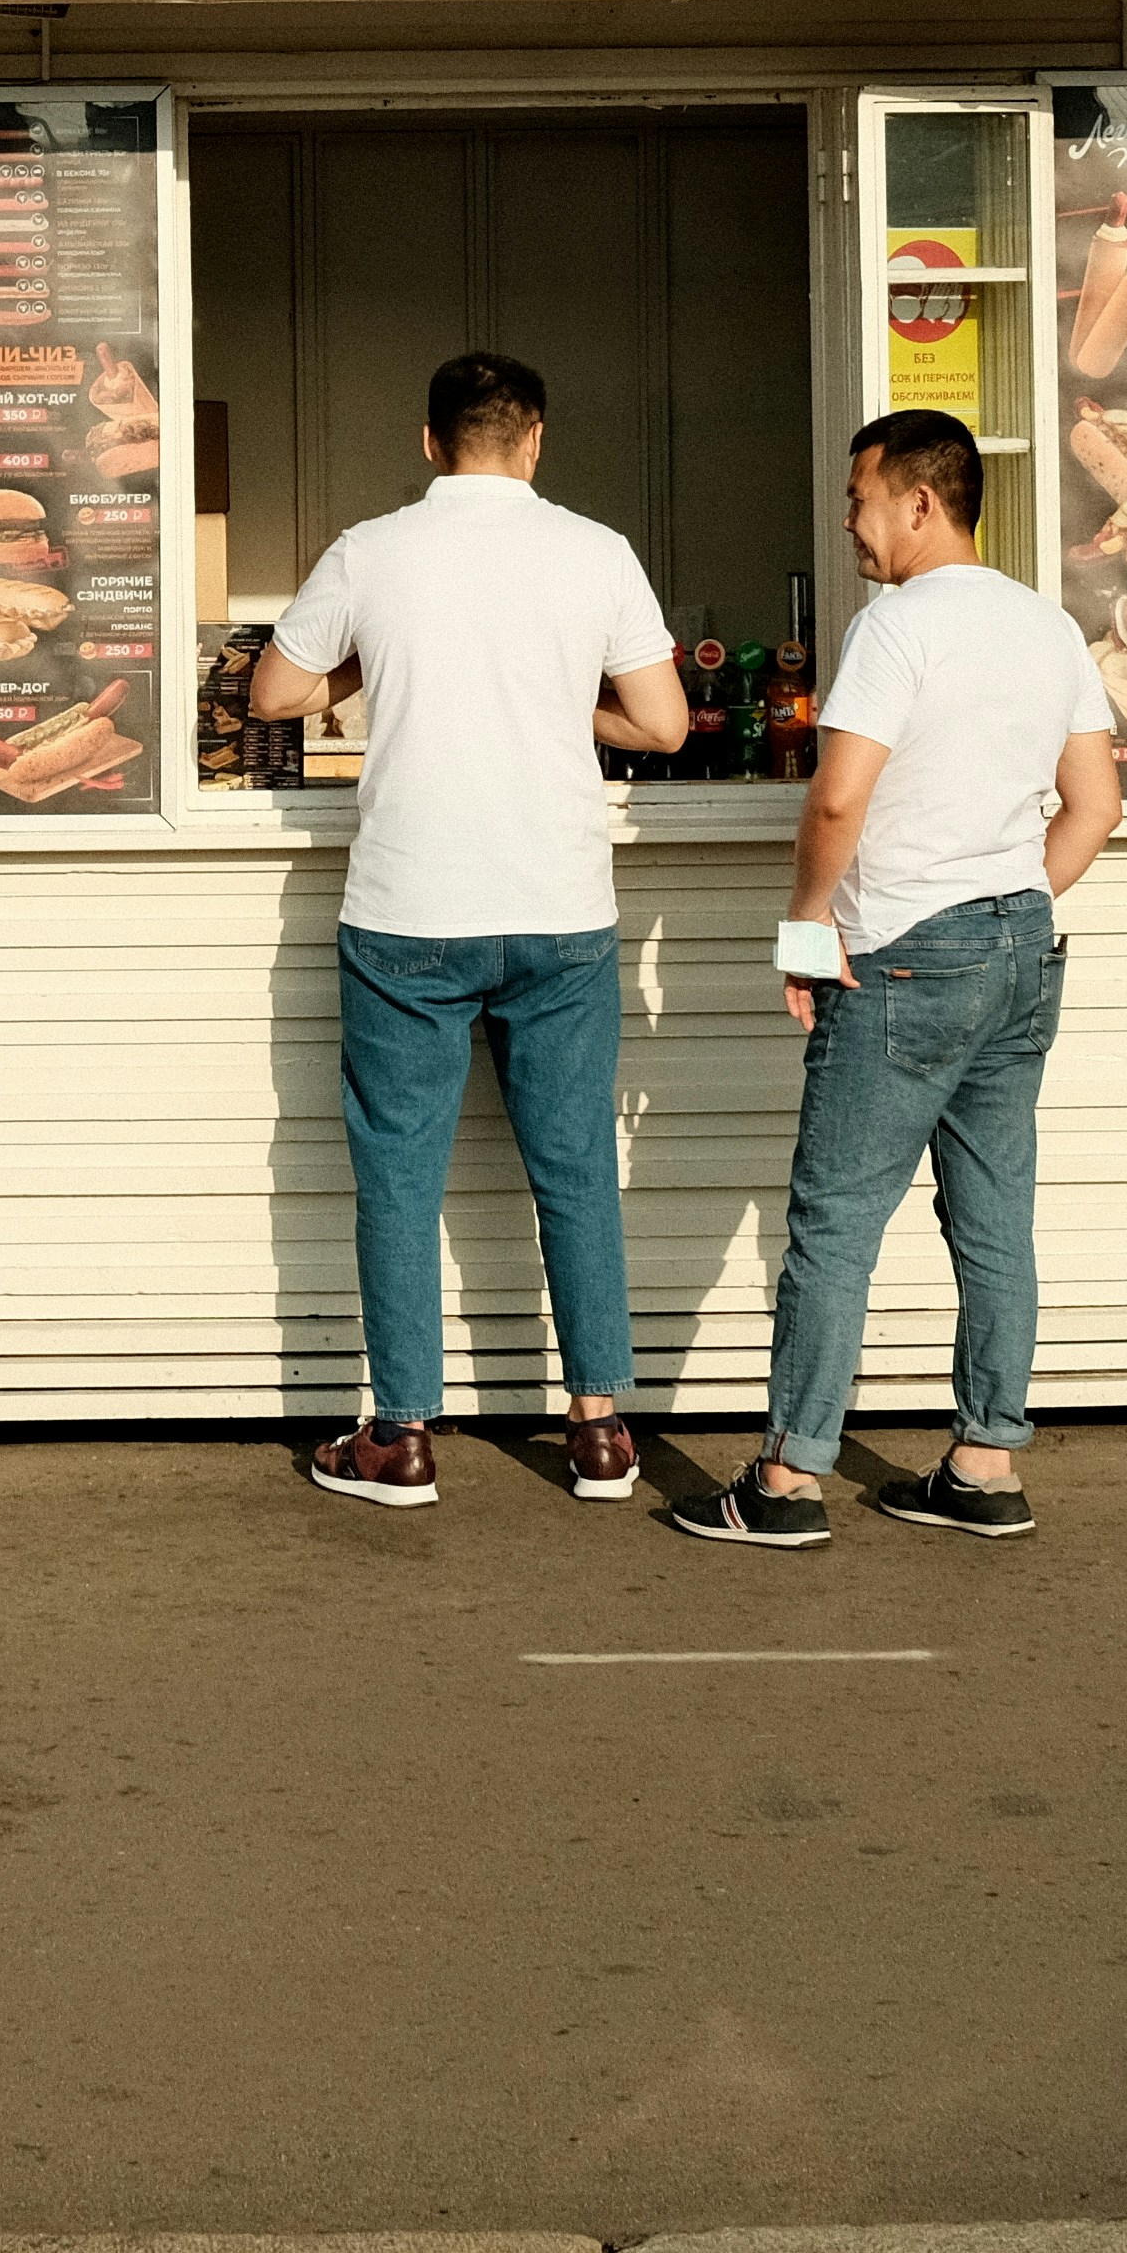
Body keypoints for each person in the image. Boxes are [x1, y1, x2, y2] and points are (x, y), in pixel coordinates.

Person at [666, 406, 1124, 1549]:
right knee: (995, 1217)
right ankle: (985, 1460)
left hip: (909, 956)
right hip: (1021, 945)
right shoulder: (1046, 624)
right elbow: (1097, 805)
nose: (852, 522)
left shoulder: (897, 625)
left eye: (861, 498)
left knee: (835, 1222)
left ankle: (786, 1481)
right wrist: (1005, 902)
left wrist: (807, 928)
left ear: (921, 501)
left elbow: (836, 796)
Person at [251, 348, 693, 1508]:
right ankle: (600, 1430)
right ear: (535, 439)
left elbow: (271, 694)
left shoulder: (371, 549)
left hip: (409, 910)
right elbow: (662, 724)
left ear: (431, 438)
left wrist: (373, 669)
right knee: (577, 1167)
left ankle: (400, 1435)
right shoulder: (597, 552)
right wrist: (558, 692)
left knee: (400, 1176)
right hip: (560, 908)